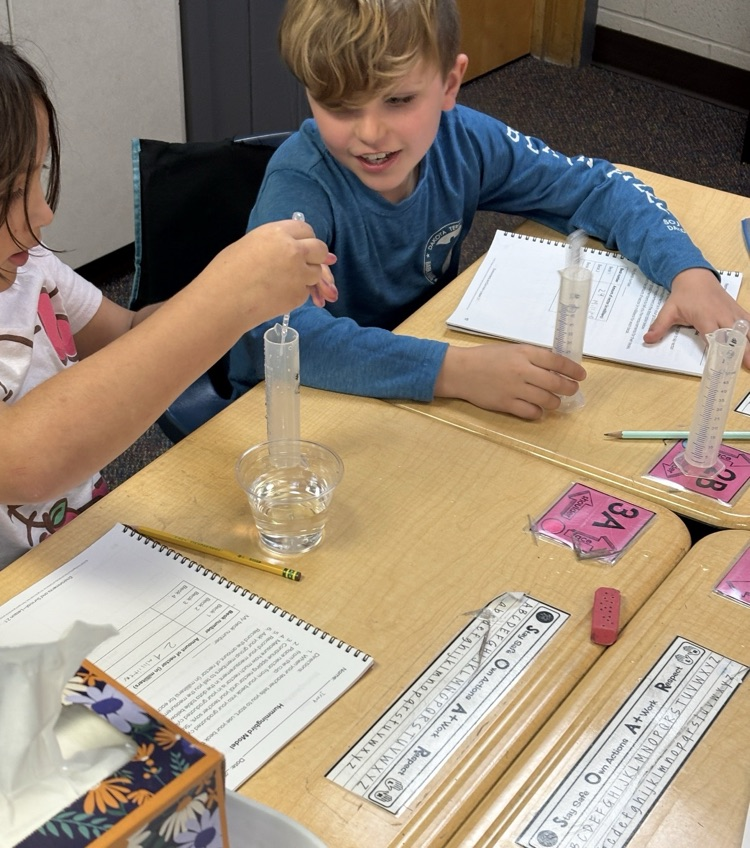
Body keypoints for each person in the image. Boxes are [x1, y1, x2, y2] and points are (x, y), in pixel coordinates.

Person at [228, 0, 750, 420]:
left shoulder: (463, 140)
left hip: (417, 364)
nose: (369, 134)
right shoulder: (301, 181)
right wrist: (452, 372)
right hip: (304, 409)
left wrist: (688, 273)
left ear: (449, 84)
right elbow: (272, 335)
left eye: (398, 100)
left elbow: (597, 186)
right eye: (340, 107)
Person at [0, 41, 337, 568]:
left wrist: (238, 290)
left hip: (75, 550)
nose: (43, 212)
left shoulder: (29, 266)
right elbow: (22, 459)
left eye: (39, 175)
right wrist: (228, 294)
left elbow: (131, 335)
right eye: (12, 191)